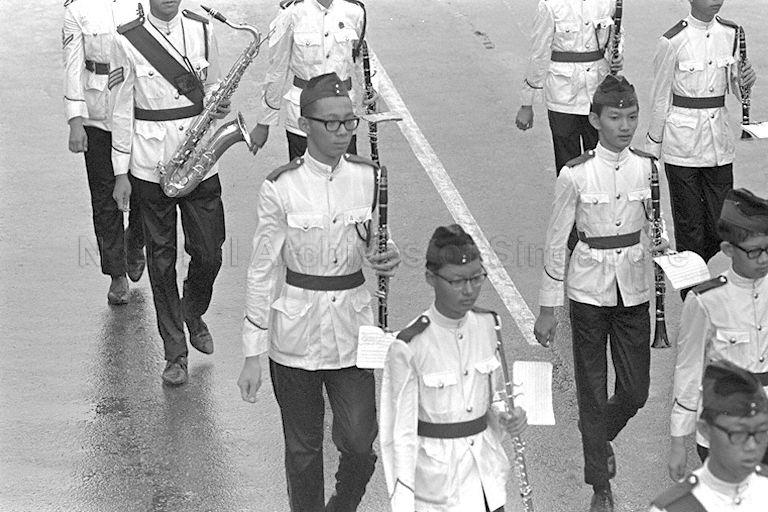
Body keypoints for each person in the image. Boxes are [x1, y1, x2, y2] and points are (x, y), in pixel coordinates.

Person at [236, 72, 401, 512]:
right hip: (295, 335)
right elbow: (260, 269)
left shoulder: (370, 177)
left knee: (361, 444)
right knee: (303, 451)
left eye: (349, 122)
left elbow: (374, 237)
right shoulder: (280, 187)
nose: (343, 131)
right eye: (331, 123)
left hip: (352, 329)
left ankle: (342, 505)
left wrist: (387, 254)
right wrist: (253, 351)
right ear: (304, 123)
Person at [533, 74, 667, 512]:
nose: (625, 126)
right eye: (615, 117)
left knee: (635, 391)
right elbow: (556, 241)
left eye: (631, 117)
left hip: (634, 288)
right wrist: (548, 307)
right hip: (588, 290)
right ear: (595, 119)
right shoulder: (574, 175)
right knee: (592, 389)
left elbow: (654, 226)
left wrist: (665, 248)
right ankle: (600, 486)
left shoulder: (648, 167)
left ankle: (595, 433)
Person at [109, 0, 231, 385]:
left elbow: (212, 85)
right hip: (150, 161)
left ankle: (192, 309)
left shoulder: (202, 28)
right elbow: (120, 110)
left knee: (210, 252)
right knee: (161, 260)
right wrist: (120, 173)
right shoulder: (128, 39)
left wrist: (219, 103)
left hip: (198, 159)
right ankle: (175, 353)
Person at [380, 224, 528, 512]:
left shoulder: (488, 325)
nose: (469, 289)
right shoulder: (410, 346)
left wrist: (509, 416)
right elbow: (399, 436)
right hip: (438, 492)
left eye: (476, 278)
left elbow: (495, 395)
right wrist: (403, 503)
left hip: (486, 482)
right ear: (431, 278)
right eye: (458, 281)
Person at [646, 0, 757, 295]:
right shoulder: (672, 41)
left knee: (721, 227)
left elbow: (736, 87)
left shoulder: (732, 33)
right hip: (681, 147)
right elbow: (659, 99)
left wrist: (746, 82)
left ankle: (716, 294)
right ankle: (693, 300)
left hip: (719, 145)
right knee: (690, 231)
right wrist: (651, 156)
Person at [668, 188, 768, 482]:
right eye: (754, 251)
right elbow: (688, 369)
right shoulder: (705, 301)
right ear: (727, 250)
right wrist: (677, 441)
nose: (763, 259)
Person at [63, 0, 146, 305]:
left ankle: (136, 240)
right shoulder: (77, 10)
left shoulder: (140, 4)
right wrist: (75, 122)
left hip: (138, 109)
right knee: (104, 197)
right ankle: (117, 274)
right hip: (97, 112)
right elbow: (72, 65)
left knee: (144, 188)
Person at [247, 0, 370, 160]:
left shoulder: (354, 11)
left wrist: (370, 87)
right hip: (303, 117)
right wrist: (264, 122)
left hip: (343, 115)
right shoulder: (291, 13)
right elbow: (277, 68)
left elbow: (362, 55)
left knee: (345, 178)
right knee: (303, 180)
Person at [515, 0, 623, 175]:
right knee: (568, 166)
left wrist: (617, 56)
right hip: (562, 96)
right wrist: (527, 103)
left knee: (602, 163)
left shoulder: (607, 2)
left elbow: (616, 35)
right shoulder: (551, 6)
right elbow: (539, 54)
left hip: (598, 93)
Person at [650, 360, 768, 511]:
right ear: (705, 429)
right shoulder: (674, 508)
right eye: (738, 433)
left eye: (761, 432)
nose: (752, 446)